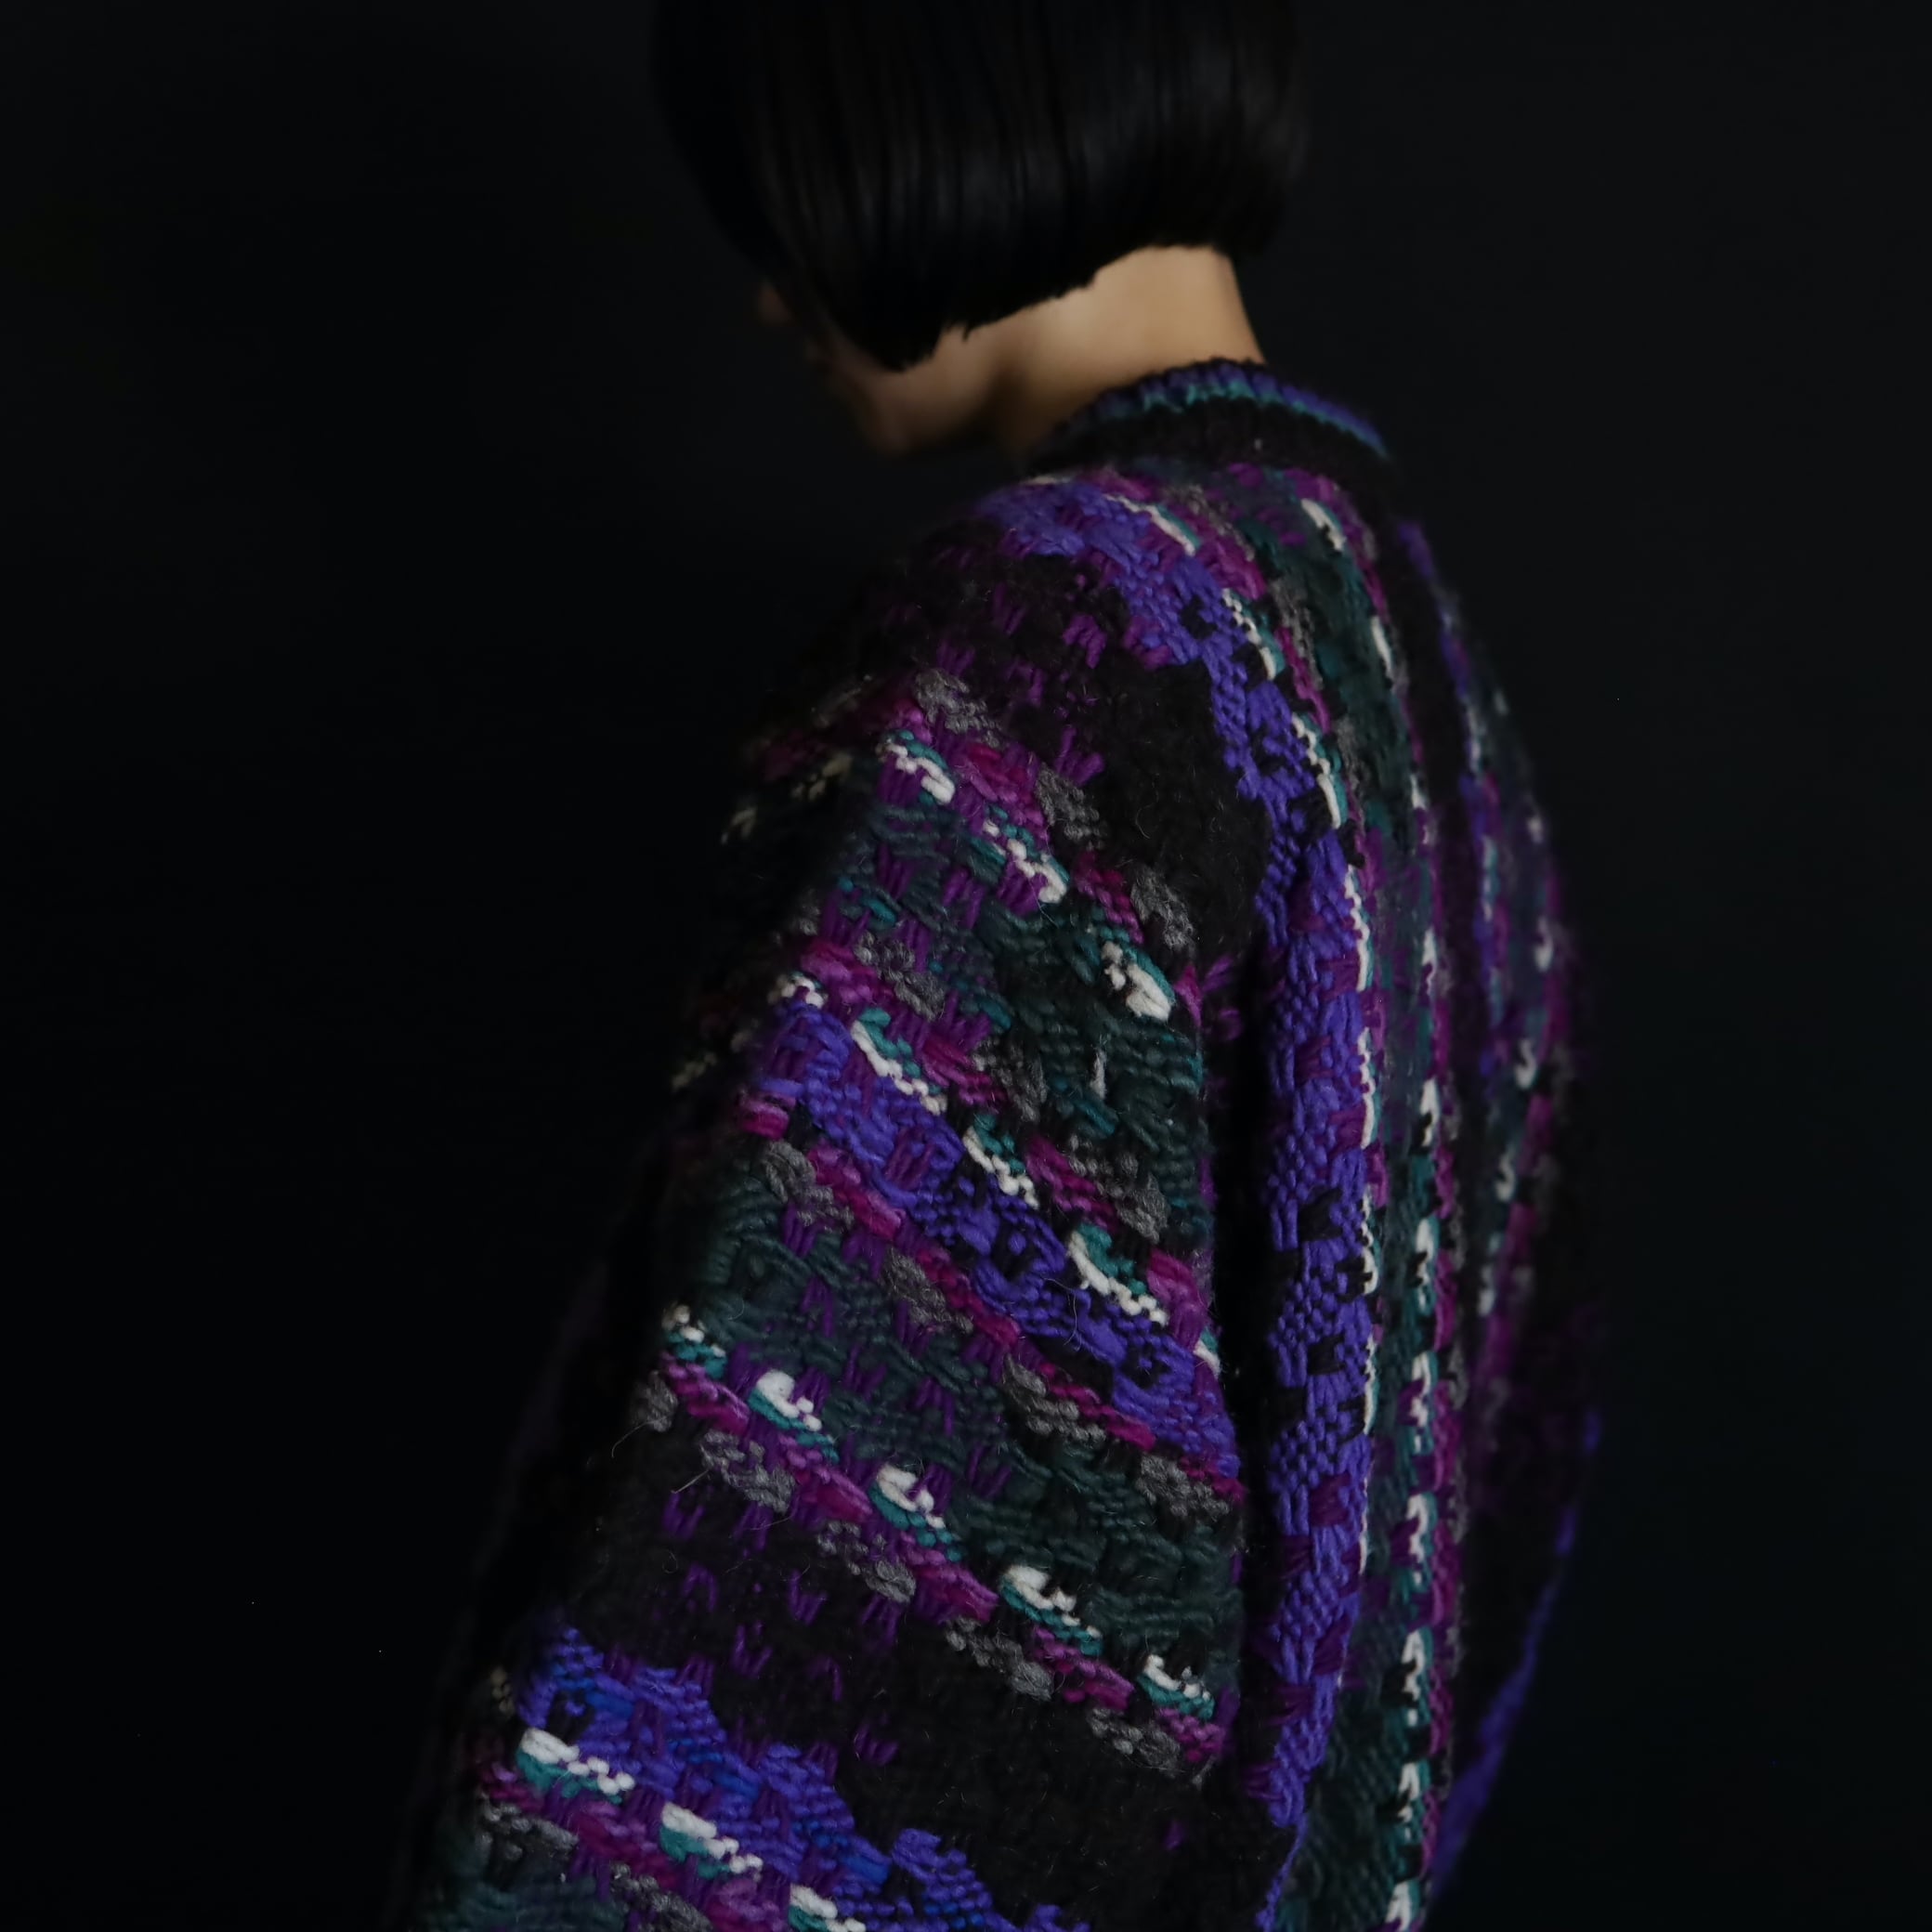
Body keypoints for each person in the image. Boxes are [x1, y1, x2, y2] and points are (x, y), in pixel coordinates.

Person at [386, 6, 1602, 1928]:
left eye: (776, 206)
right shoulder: (1407, 643)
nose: (769, 297)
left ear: (931, 121)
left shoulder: (1044, 636)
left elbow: (833, 1434)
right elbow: (1511, 1433)